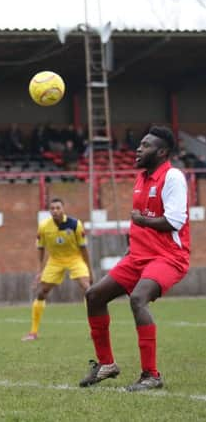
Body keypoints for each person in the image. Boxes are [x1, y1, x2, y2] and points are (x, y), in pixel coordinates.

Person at [79, 125, 189, 392]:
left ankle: (151, 375)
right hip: (138, 256)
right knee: (94, 296)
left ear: (162, 152)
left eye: (146, 145)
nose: (139, 149)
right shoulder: (141, 179)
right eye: (140, 144)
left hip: (169, 256)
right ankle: (106, 364)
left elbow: (175, 221)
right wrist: (132, 248)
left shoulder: (173, 177)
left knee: (138, 298)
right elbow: (139, 226)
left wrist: (143, 220)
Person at [21, 198, 93, 341]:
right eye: (52, 208)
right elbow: (40, 248)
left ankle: (94, 330)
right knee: (42, 292)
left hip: (75, 259)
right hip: (55, 260)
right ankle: (33, 332)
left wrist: (90, 270)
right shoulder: (43, 227)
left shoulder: (75, 224)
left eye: (58, 208)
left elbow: (83, 249)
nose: (55, 211)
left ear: (63, 209)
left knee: (88, 289)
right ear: (49, 211)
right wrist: (39, 270)